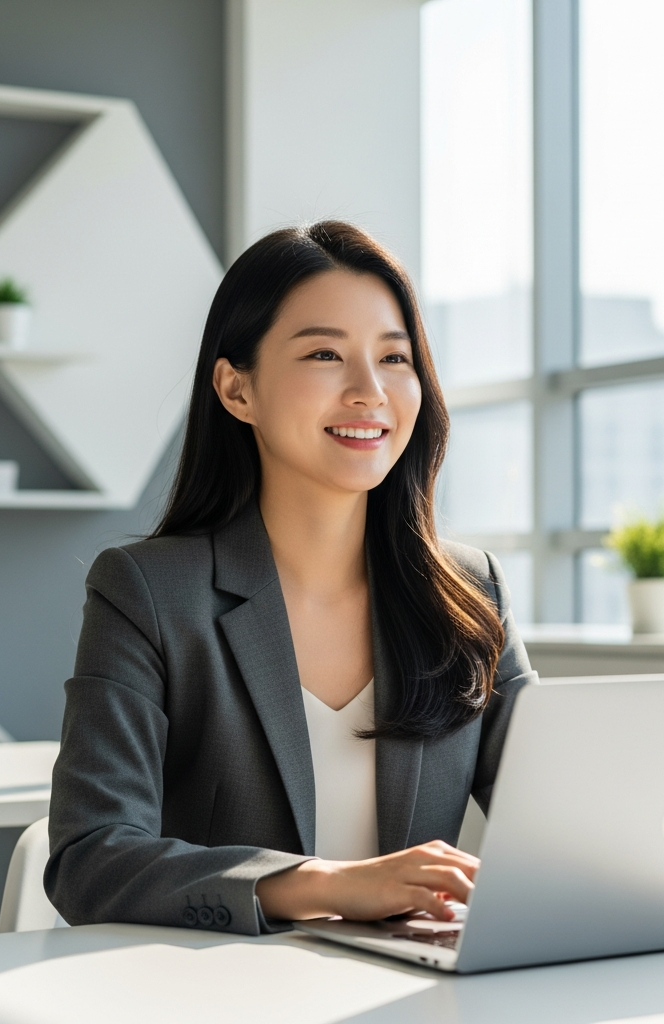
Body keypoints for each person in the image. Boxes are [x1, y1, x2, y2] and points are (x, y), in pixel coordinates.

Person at [45, 221, 536, 935]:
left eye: (394, 358)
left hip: (412, 996)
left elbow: (561, 818)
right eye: (324, 354)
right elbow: (90, 859)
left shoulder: (469, 593)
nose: (370, 391)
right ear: (236, 390)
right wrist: (321, 884)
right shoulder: (147, 593)